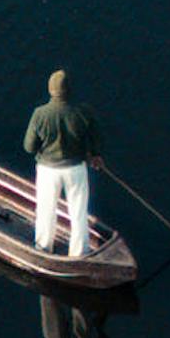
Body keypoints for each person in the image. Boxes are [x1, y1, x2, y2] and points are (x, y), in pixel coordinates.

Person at [24, 69, 102, 258]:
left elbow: (29, 147)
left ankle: (44, 248)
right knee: (78, 211)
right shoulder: (83, 113)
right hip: (76, 170)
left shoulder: (40, 114)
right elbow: (95, 139)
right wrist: (95, 155)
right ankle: (79, 252)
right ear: (69, 90)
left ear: (50, 90)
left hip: (48, 170)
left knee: (46, 209)